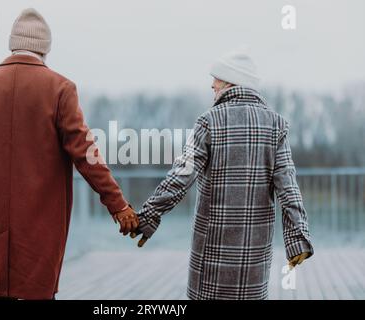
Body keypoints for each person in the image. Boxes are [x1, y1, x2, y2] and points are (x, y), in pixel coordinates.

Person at [0, 8, 138, 300]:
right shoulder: (60, 89)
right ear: (45, 49)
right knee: (37, 293)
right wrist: (117, 205)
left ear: (12, 43)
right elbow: (86, 155)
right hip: (39, 226)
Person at [131, 49, 314, 299]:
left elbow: (181, 176)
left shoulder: (209, 121)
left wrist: (150, 214)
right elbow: (288, 189)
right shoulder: (276, 125)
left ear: (230, 82)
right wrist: (298, 239)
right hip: (254, 251)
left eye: (216, 79)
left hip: (212, 251)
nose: (212, 84)